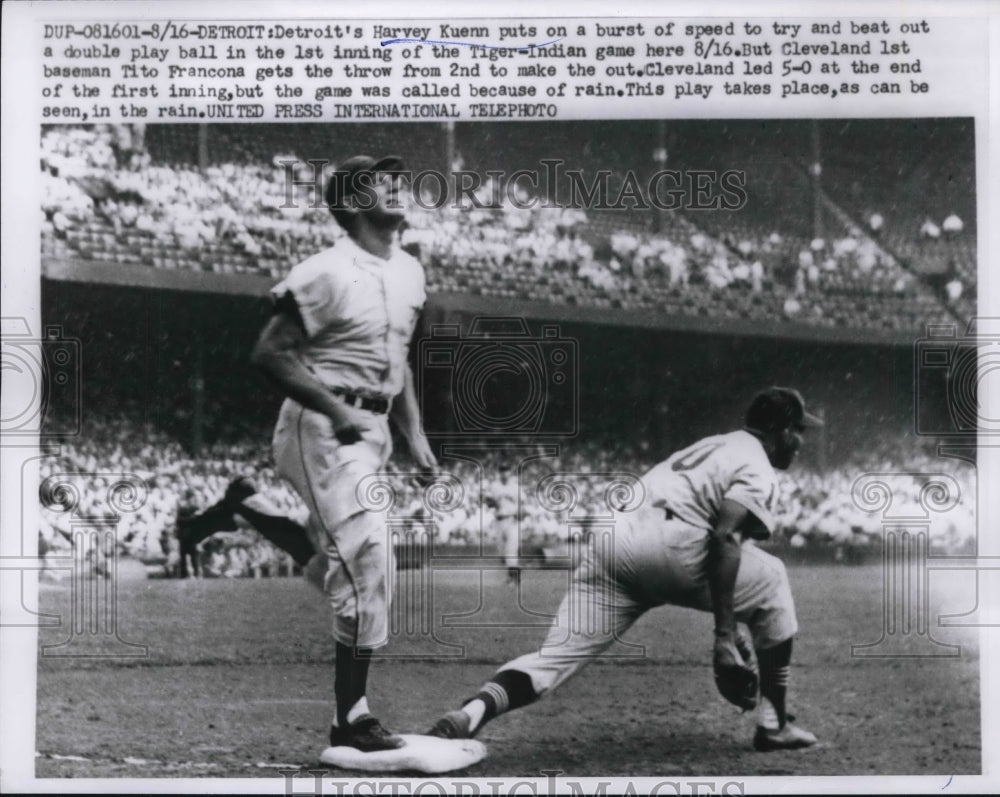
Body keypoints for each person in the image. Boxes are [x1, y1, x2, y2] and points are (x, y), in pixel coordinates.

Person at [427, 387, 821, 752]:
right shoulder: (757, 462)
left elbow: (723, 538)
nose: (801, 442)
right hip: (670, 544)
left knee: (553, 658)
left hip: (612, 539)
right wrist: (723, 636)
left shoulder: (715, 444)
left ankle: (473, 711)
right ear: (780, 430)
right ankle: (773, 723)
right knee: (773, 581)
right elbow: (726, 540)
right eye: (798, 431)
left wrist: (734, 628)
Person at [251, 155, 439, 753]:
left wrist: (415, 434)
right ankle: (351, 718)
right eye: (379, 180)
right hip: (321, 424)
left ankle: (267, 523)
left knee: (350, 557)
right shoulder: (325, 271)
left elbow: (396, 358)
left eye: (394, 177)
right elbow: (271, 354)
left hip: (371, 427)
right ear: (354, 202)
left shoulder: (410, 271)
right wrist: (338, 413)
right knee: (368, 553)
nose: (395, 184)